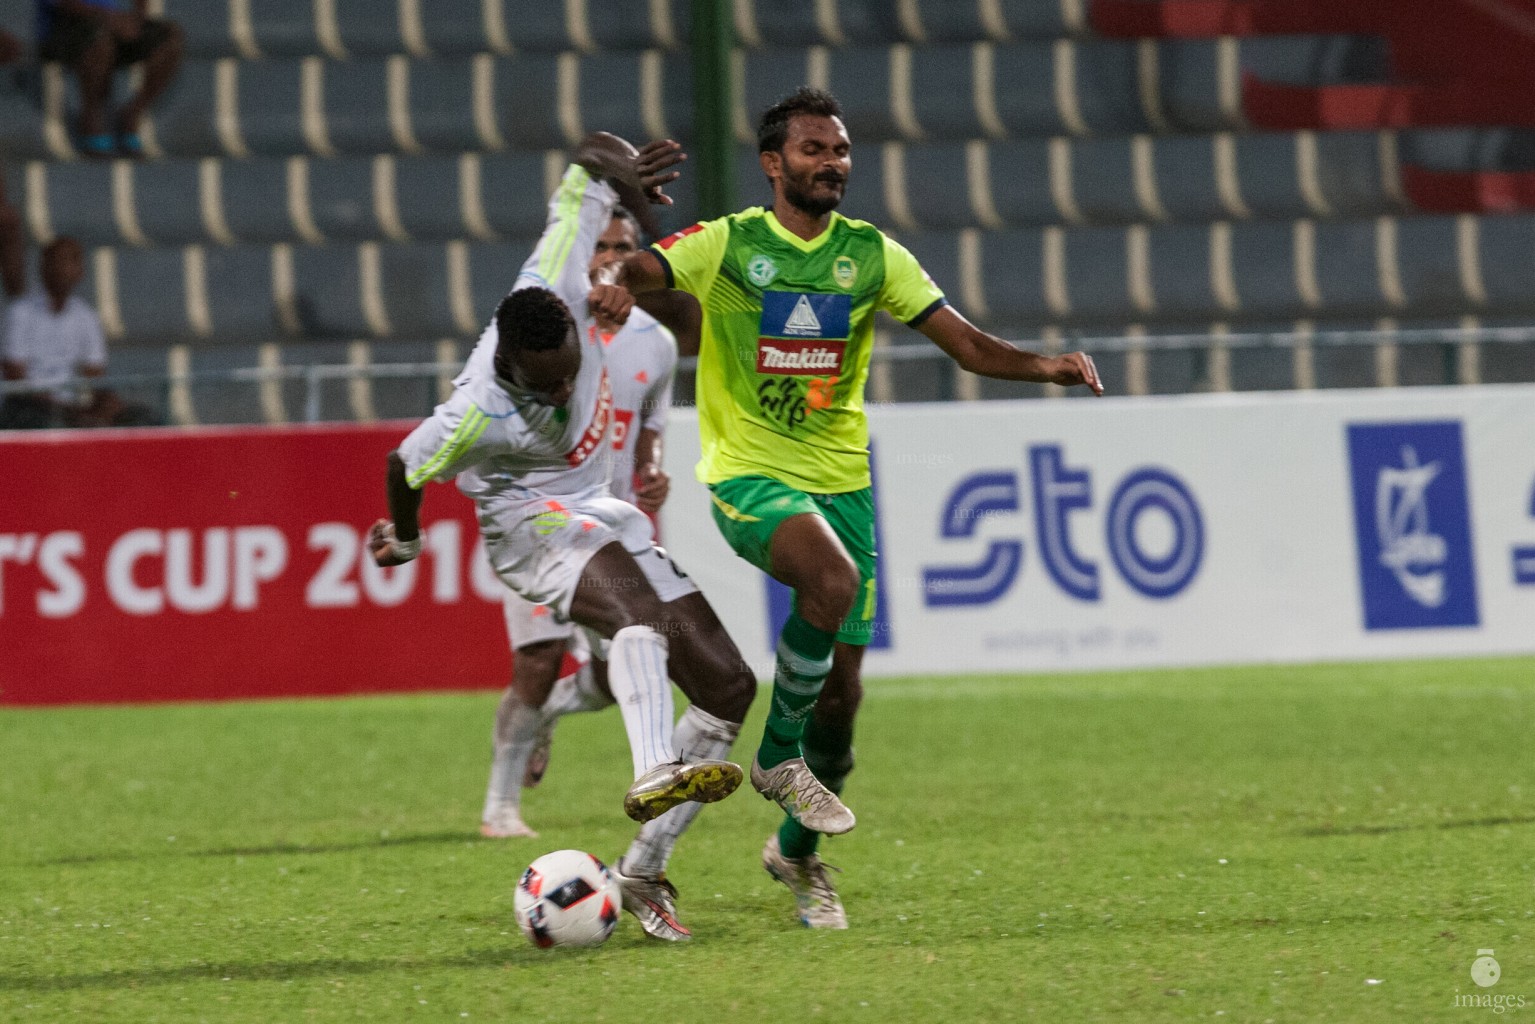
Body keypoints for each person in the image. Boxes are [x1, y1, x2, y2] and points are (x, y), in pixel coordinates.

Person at [616, 87, 1105, 929]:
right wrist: (619, 238)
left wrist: (1047, 366)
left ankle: (795, 855)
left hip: (844, 483)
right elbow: (640, 270)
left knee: (841, 709)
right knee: (829, 584)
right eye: (813, 150)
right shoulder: (731, 244)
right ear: (774, 164)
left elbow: (966, 343)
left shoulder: (872, 256)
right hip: (749, 473)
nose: (831, 164)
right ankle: (774, 755)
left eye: (839, 151)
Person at [370, 132, 766, 942]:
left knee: (728, 685)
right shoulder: (476, 410)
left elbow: (587, 161)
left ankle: (643, 872)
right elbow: (404, 467)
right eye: (544, 385)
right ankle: (652, 765)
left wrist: (623, 175)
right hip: (527, 523)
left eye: (570, 371)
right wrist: (404, 543)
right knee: (636, 620)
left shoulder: (555, 282)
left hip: (601, 508)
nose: (564, 390)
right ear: (512, 368)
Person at [480, 205, 680, 841]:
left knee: (634, 665)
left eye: (625, 245)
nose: (611, 255)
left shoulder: (657, 343)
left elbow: (649, 428)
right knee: (537, 659)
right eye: (601, 243)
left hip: (611, 528)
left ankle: (554, 713)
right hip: (540, 520)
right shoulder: (542, 327)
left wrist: (652, 471)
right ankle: (500, 810)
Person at [1, 235, 154, 428]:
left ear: (80, 271)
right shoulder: (20, 313)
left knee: (141, 418)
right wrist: (69, 411)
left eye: (72, 261)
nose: (65, 269)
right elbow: (16, 379)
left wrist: (106, 404)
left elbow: (95, 376)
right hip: (29, 407)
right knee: (54, 423)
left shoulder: (86, 317)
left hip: (71, 406)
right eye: (60, 261)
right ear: (44, 267)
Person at [35, 0, 183, 158]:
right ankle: (91, 119)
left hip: (110, 24)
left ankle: (132, 114)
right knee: (99, 37)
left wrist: (135, 19)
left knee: (169, 36)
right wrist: (108, 18)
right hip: (65, 28)